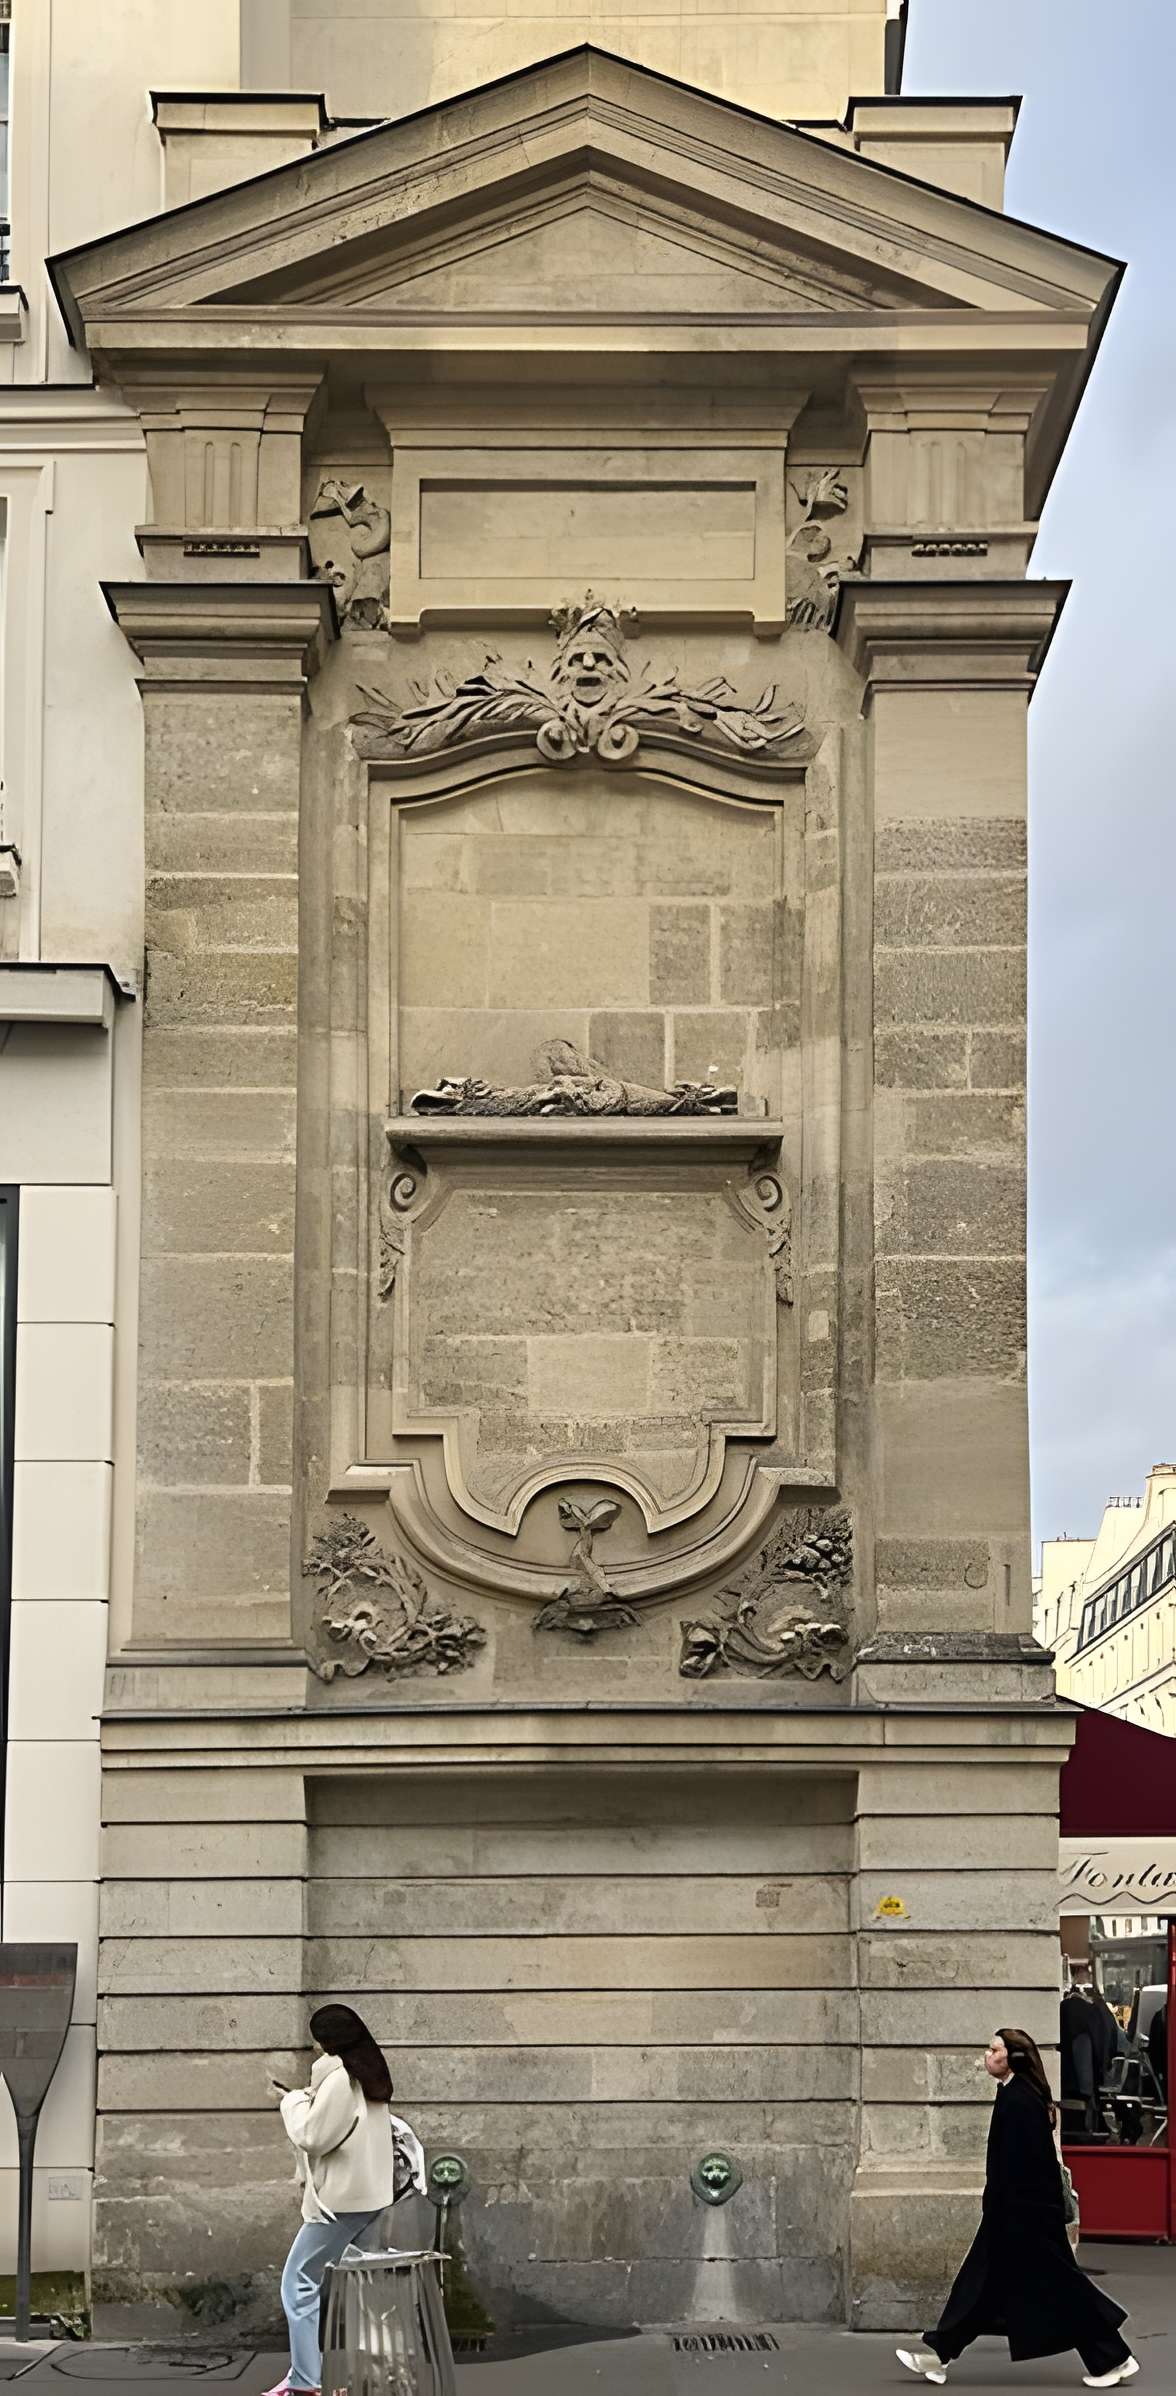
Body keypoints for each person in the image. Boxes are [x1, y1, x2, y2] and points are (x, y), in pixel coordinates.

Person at [896, 2029, 1138, 2390]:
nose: (987, 2054)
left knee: (1054, 2288)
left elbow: (1029, 2166)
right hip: (1015, 2214)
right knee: (983, 2286)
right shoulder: (1014, 2093)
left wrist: (1016, 2213)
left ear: (1014, 2058)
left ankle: (1115, 2358)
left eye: (995, 2049)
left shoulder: (1021, 2100)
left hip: (1025, 2217)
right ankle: (939, 2353)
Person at [263, 2001, 423, 2396]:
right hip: (371, 2196)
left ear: (326, 2041)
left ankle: (304, 2383)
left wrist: (294, 2101)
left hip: (341, 2203)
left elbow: (314, 2136)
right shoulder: (372, 2074)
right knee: (367, 2287)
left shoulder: (340, 2079)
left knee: (298, 2281)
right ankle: (378, 2378)